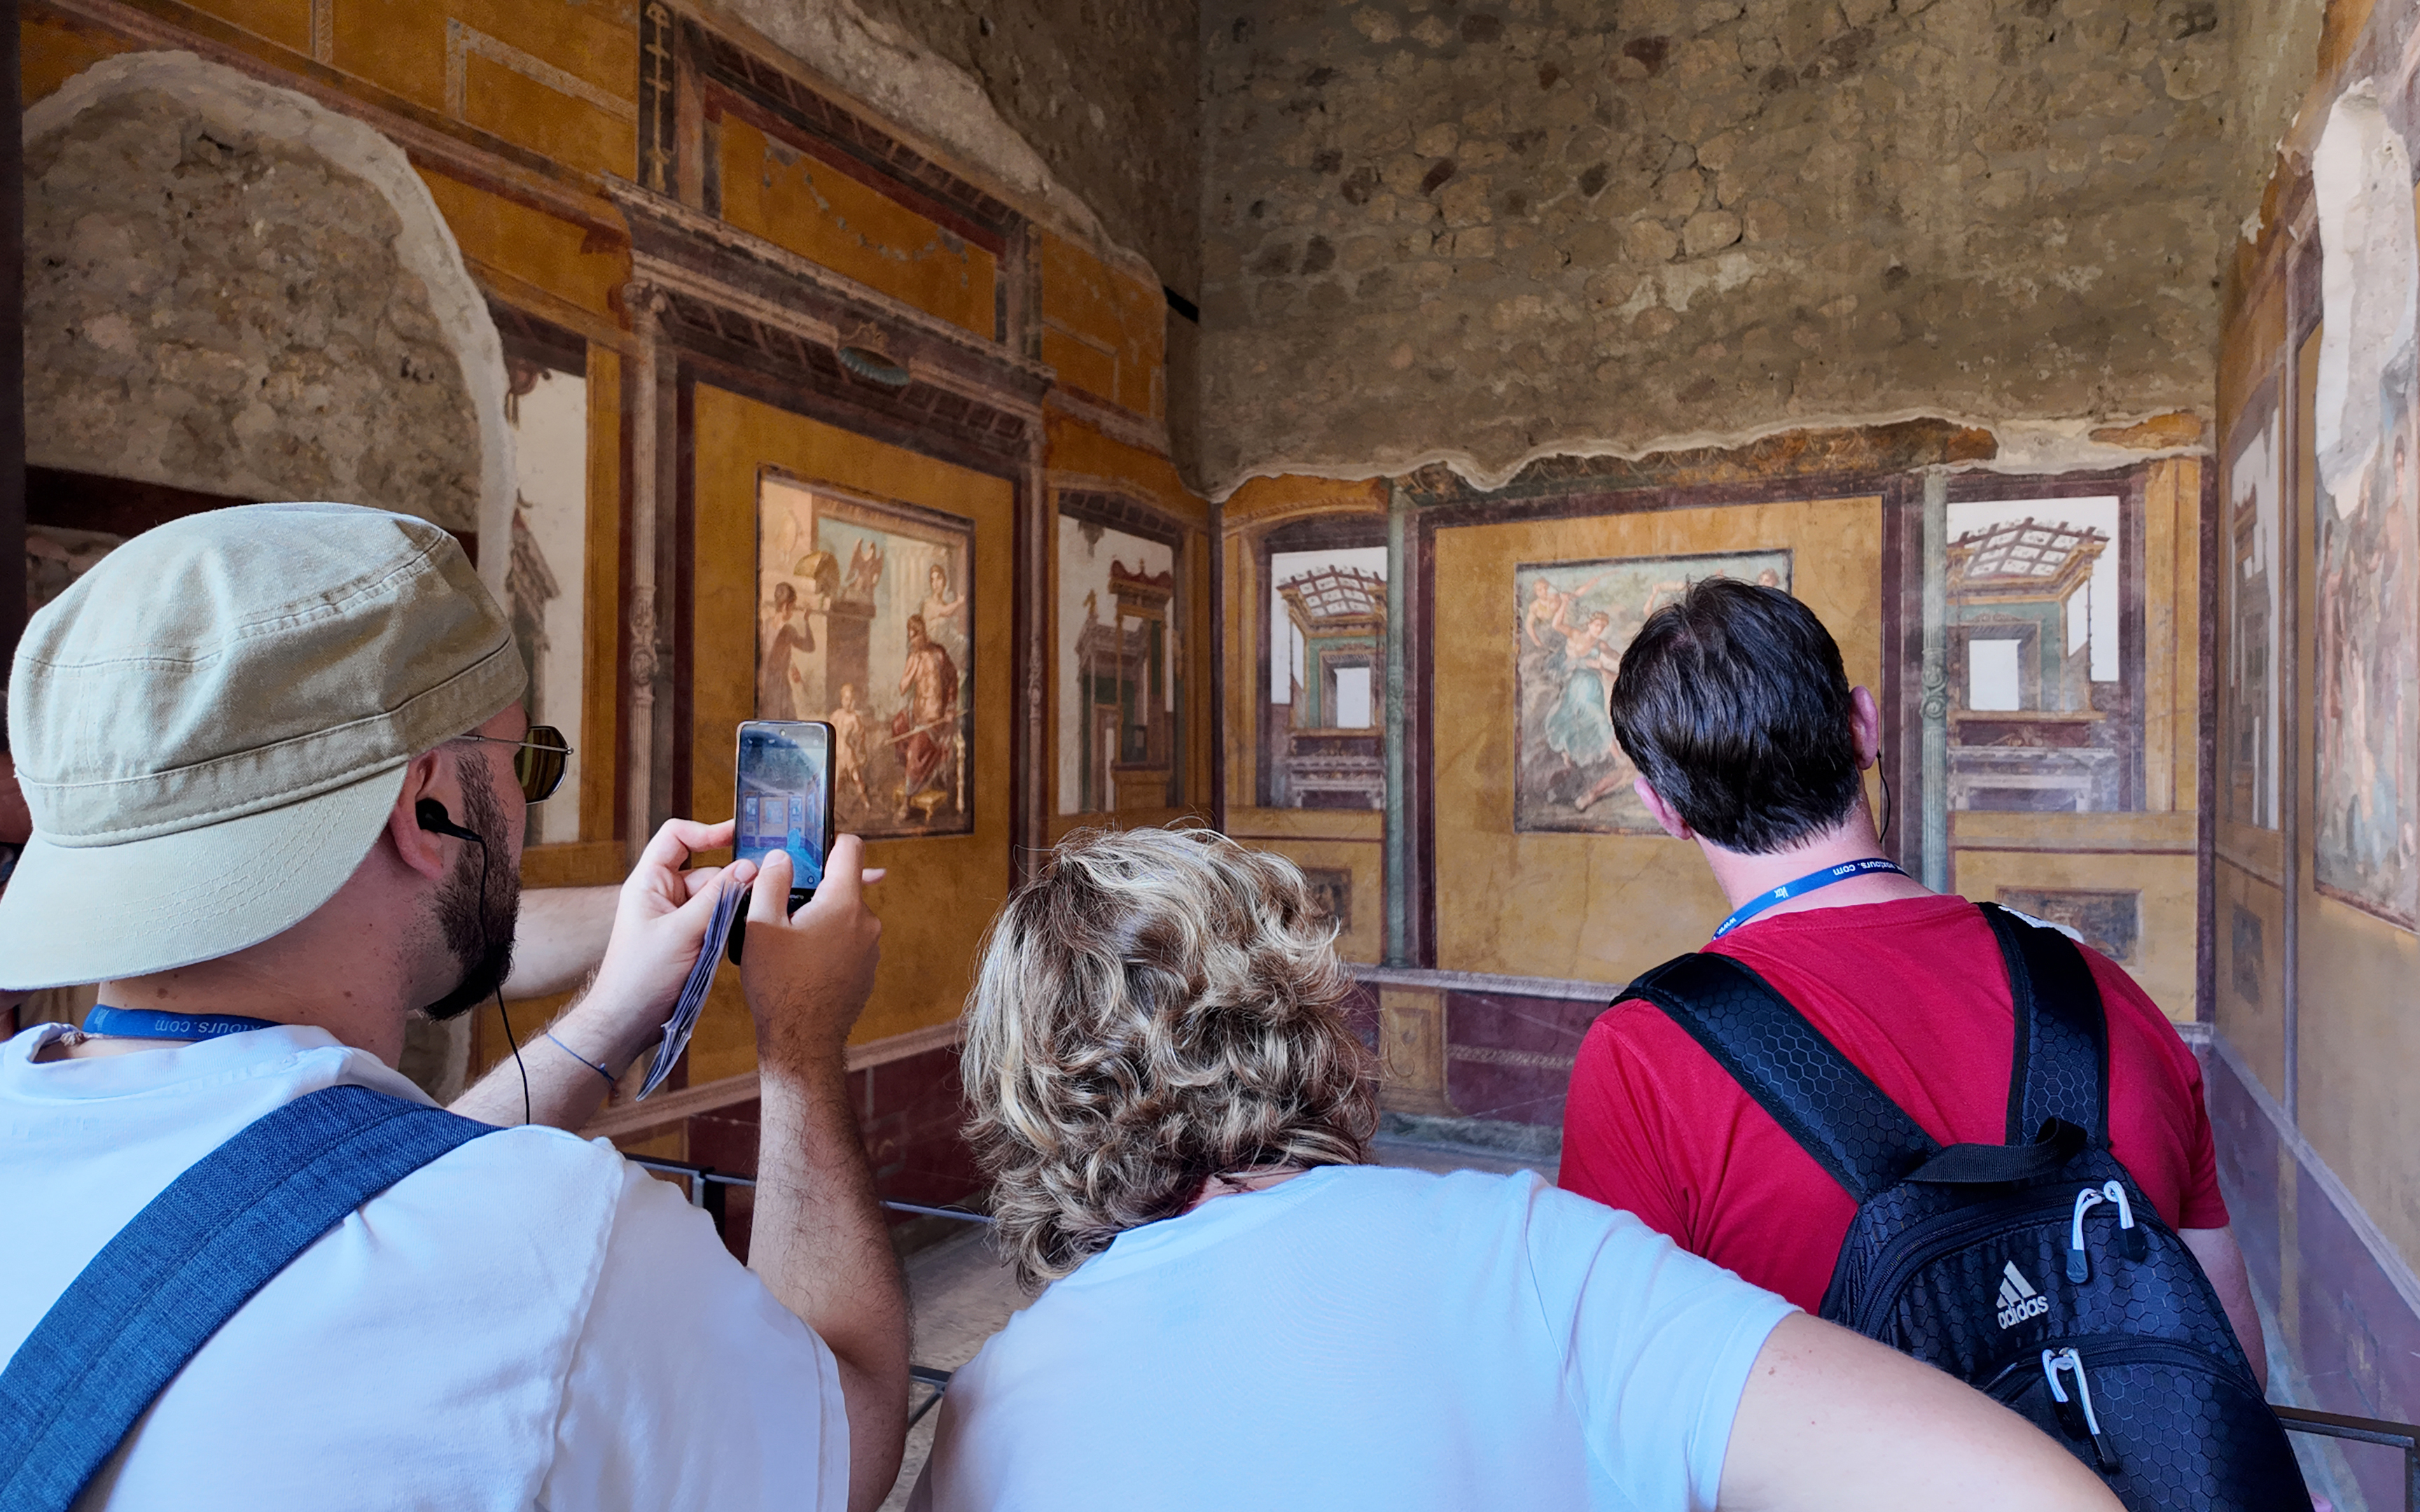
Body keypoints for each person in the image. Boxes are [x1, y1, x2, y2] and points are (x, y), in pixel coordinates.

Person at [0, 503, 908, 1510]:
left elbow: (329, 1191)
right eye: (524, 763)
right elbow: (847, 1436)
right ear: (424, 805)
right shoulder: (554, 1244)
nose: (524, 808)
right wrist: (801, 1044)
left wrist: (610, 1016)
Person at [910, 825, 2122, 1512]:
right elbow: (2035, 1498)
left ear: (1021, 1090)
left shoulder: (979, 1420)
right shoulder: (1525, 1257)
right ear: (1300, 1005)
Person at [1557, 578, 2265, 1385]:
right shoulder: (2102, 994)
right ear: (1863, 725)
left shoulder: (1645, 1059)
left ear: (1663, 808)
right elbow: (2236, 1367)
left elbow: (1614, 1396)